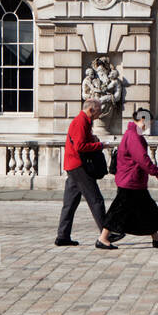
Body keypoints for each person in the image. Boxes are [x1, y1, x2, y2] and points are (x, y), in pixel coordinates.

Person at [97, 108, 158, 251]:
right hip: (130, 180)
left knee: (147, 209)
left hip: (133, 180)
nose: (150, 125)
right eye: (149, 121)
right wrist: (157, 173)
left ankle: (156, 238)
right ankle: (103, 238)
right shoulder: (134, 136)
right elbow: (142, 159)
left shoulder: (133, 134)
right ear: (143, 120)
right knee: (118, 210)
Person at [54, 96, 122, 247]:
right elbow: (80, 146)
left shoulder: (84, 121)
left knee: (70, 203)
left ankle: (62, 236)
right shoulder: (80, 122)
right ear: (91, 109)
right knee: (96, 200)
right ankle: (106, 235)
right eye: (98, 110)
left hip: (73, 165)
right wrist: (100, 146)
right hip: (79, 166)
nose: (100, 113)